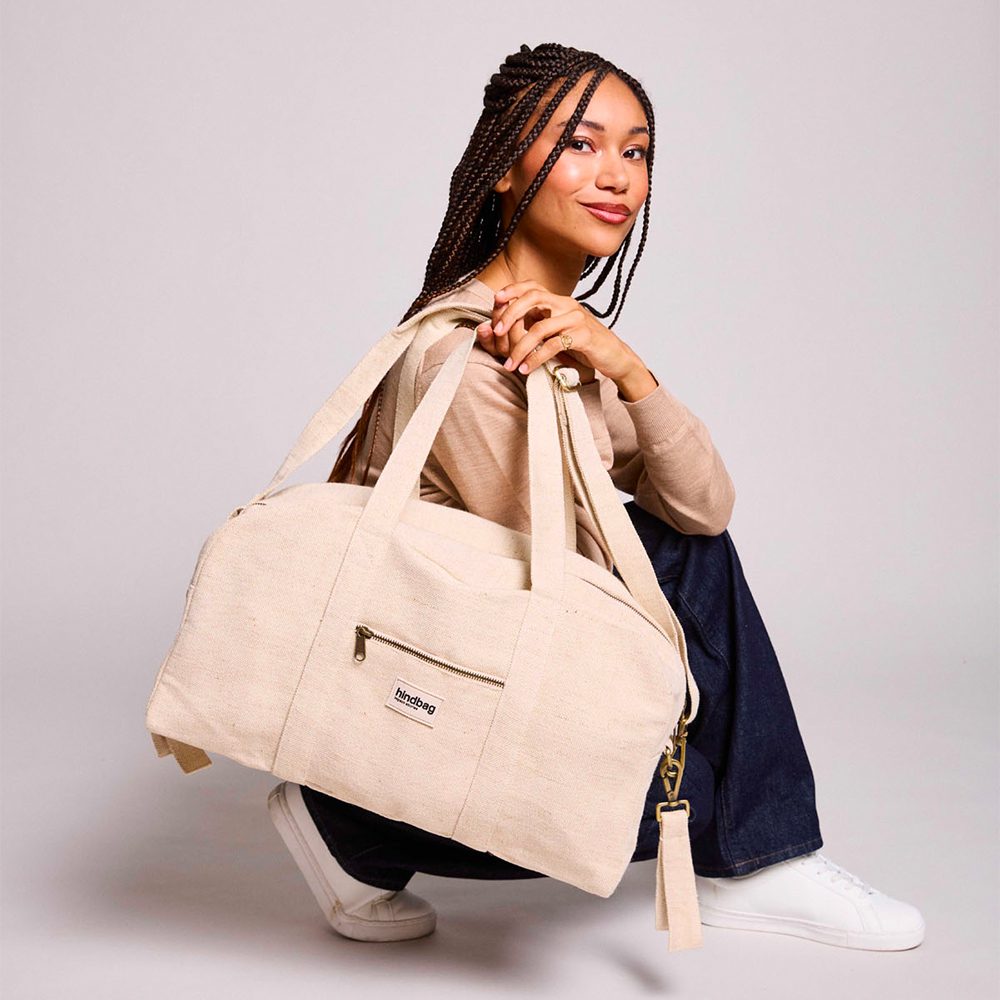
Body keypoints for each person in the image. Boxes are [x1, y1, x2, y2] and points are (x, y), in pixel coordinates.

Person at [266, 42, 925, 951]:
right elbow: (584, 576)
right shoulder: (464, 355)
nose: (616, 174)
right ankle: (753, 855)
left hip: (459, 684)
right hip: (432, 683)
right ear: (505, 168)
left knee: (686, 550)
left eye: (637, 150)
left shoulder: (560, 337)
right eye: (580, 143)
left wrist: (628, 369)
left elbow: (706, 505)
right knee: (677, 746)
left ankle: (353, 828)